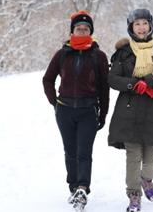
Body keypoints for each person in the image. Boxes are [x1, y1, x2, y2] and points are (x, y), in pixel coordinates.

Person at [107, 8, 153, 212]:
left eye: (144, 23)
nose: (141, 27)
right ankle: (134, 194)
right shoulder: (123, 53)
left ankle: (146, 180)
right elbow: (112, 79)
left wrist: (150, 80)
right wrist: (133, 84)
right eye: (137, 24)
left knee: (151, 155)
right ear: (131, 27)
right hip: (128, 109)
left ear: (150, 26)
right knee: (133, 154)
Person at [43, 11, 110, 210]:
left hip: (88, 110)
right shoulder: (62, 54)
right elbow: (47, 79)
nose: (82, 31)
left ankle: (82, 187)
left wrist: (103, 113)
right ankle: (73, 187)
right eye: (78, 28)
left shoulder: (98, 56)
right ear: (72, 31)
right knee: (70, 151)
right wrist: (54, 102)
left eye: (86, 29)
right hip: (64, 111)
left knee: (84, 152)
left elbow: (104, 88)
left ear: (91, 32)